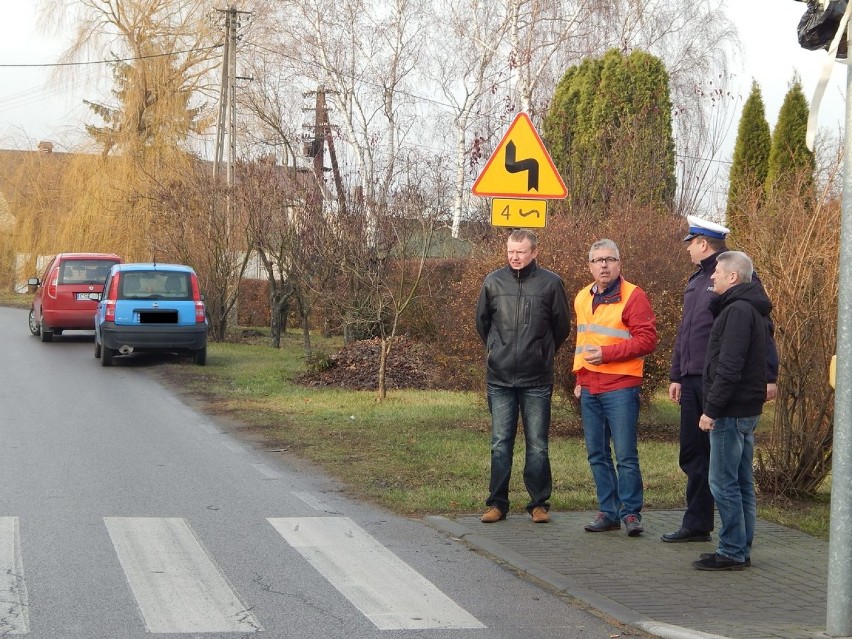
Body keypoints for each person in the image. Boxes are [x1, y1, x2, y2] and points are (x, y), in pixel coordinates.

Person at [662, 216, 778, 544]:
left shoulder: (738, 276)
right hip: (693, 377)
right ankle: (697, 523)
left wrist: (770, 374)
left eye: (690, 242)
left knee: (727, 469)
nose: (687, 249)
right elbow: (687, 331)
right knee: (693, 454)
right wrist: (677, 373)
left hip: (722, 383)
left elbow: (762, 330)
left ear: (703, 243)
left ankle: (735, 541)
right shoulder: (697, 279)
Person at [475, 229, 571, 524]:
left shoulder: (551, 283)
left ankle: (538, 504)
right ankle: (497, 504)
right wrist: (496, 350)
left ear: (534, 252)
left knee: (538, 444)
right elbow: (482, 324)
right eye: (510, 252)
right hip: (500, 377)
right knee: (500, 442)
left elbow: (562, 327)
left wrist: (542, 352)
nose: (514, 257)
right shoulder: (493, 282)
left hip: (537, 379)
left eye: (520, 252)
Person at [692, 251, 772, 571]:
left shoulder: (737, 311)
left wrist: (711, 409)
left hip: (730, 410)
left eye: (718, 273)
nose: (712, 277)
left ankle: (732, 550)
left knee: (723, 483)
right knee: (740, 483)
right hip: (744, 408)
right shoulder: (749, 307)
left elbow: (730, 365)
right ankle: (740, 546)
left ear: (733, 277)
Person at [573, 239, 657, 536]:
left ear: (619, 264)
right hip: (590, 386)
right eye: (598, 260)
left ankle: (631, 514)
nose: (604, 265)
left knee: (625, 455)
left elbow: (647, 340)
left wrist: (608, 354)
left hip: (621, 385)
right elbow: (582, 341)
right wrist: (579, 378)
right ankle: (608, 512)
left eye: (610, 259)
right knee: (597, 454)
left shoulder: (634, 296)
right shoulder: (582, 296)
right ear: (590, 266)